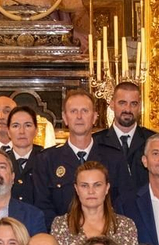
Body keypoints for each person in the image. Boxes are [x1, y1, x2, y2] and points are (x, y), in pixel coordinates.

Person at [31, 91, 128, 219]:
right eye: (73, 111)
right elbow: (42, 207)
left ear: (94, 117)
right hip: (61, 236)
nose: (79, 116)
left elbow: (124, 203)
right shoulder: (46, 160)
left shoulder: (114, 158)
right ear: (65, 118)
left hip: (106, 236)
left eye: (85, 111)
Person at [49, 161, 138, 245]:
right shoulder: (61, 225)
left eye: (97, 185)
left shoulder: (125, 226)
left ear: (107, 188)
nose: (91, 191)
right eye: (84, 186)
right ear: (76, 189)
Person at [95, 80, 155, 193]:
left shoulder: (153, 140)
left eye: (133, 104)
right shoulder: (95, 142)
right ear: (112, 104)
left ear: (139, 106)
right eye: (122, 103)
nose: (128, 109)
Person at [4, 104, 44, 205]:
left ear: (36, 130)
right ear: (8, 131)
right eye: (16, 126)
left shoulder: (46, 160)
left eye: (28, 125)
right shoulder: (2, 162)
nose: (22, 131)